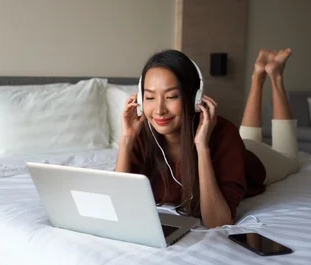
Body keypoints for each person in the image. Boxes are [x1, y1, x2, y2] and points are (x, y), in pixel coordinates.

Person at [114, 48, 300, 228]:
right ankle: (258, 77)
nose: (160, 110)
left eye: (171, 96)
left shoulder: (224, 134)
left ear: (194, 98)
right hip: (236, 147)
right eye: (150, 97)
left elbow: (217, 222)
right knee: (247, 137)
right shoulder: (141, 135)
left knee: (290, 159)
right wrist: (126, 140)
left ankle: (274, 76)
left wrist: (202, 146)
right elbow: (116, 204)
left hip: (252, 159)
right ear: (140, 101)